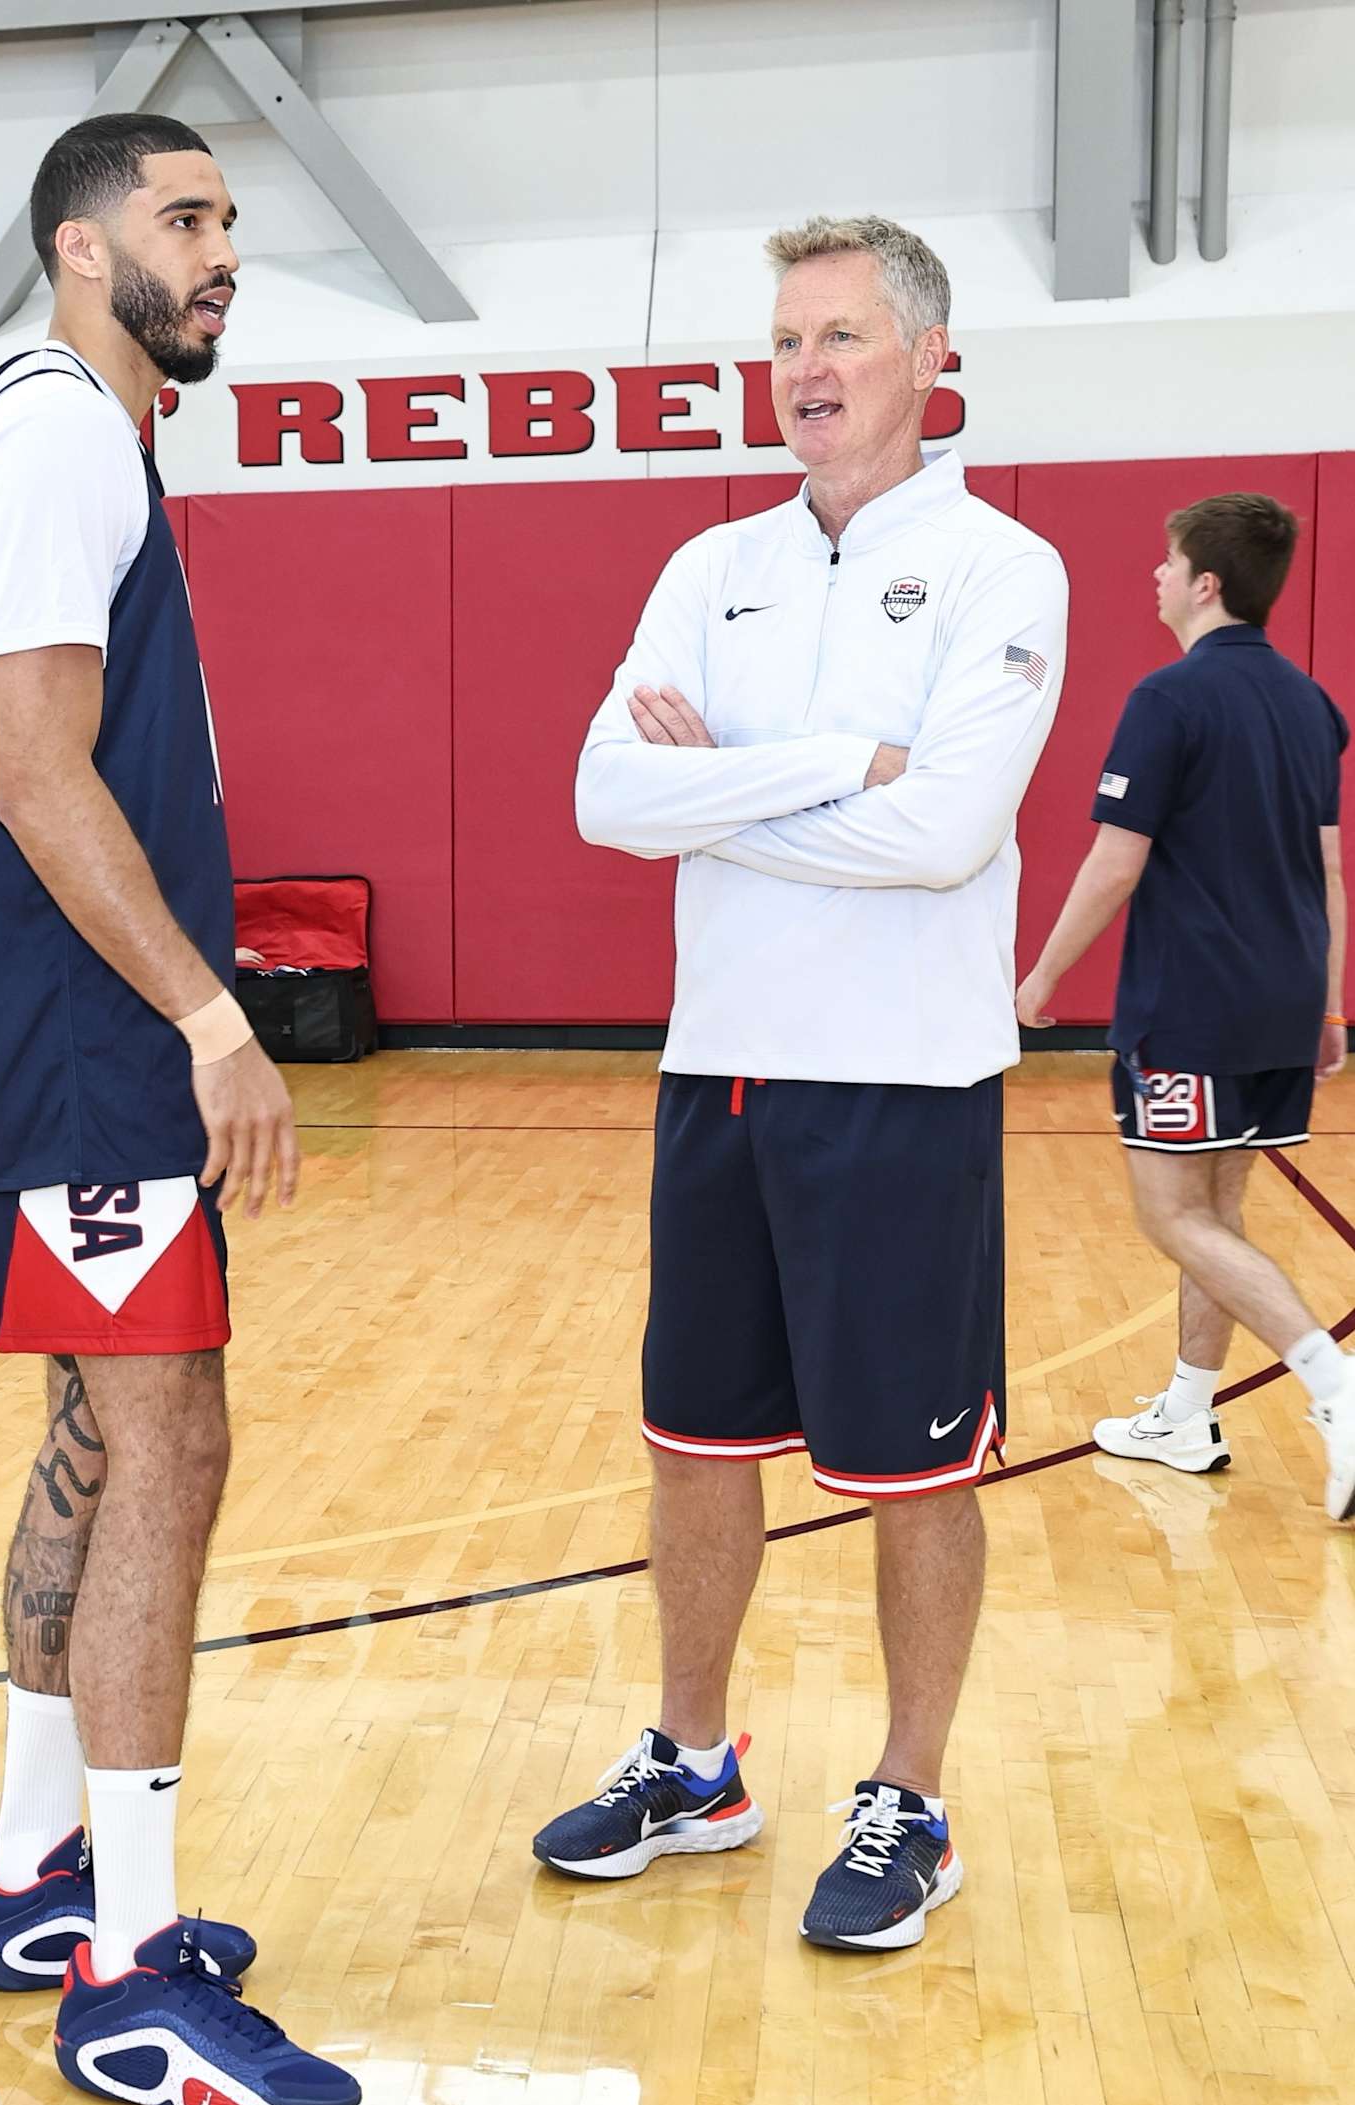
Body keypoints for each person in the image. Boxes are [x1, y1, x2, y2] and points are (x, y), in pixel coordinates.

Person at [0, 114, 358, 2105]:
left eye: (232, 222)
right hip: (101, 1053)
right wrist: (217, 1021)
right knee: (167, 1446)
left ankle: (35, 1881)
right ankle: (130, 1981)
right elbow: (38, 784)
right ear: (78, 247)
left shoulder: (64, 440)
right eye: (185, 220)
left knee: (97, 1436)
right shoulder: (58, 434)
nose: (222, 254)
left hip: (58, 1044)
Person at [540, 214, 1069, 1953]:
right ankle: (696, 1762)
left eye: (841, 336)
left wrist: (738, 793)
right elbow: (608, 801)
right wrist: (841, 760)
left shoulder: (1003, 571)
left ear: (927, 357)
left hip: (904, 1086)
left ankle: (911, 1798)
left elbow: (947, 839)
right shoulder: (714, 570)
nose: (807, 373)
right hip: (725, 1075)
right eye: (784, 343)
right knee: (694, 1444)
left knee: (913, 1469)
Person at [1016, 493, 1355, 1513]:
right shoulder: (1312, 705)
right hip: (1285, 1000)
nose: (1154, 579)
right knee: (1218, 1207)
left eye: (1166, 565)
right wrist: (1331, 1006)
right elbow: (1332, 871)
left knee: (1171, 1214)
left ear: (1206, 583)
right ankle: (1186, 1409)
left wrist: (1040, 980)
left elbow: (1117, 862)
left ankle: (1336, 1390)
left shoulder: (1168, 700)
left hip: (1193, 1006)